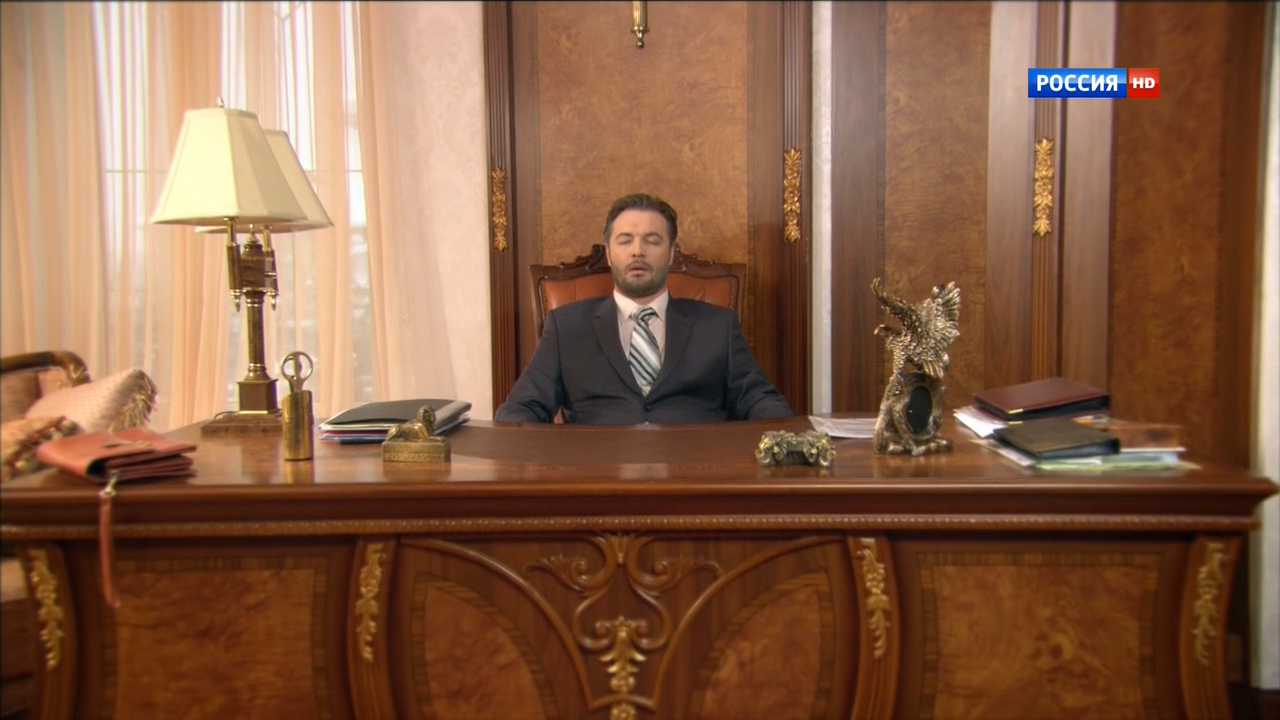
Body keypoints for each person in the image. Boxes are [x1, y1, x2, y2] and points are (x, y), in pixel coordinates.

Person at [495, 193, 793, 424]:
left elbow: (762, 401)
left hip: (694, 473)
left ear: (671, 252)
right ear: (609, 253)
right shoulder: (567, 328)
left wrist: (785, 444)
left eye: (652, 241)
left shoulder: (716, 326)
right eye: (625, 241)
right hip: (596, 475)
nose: (638, 251)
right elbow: (520, 409)